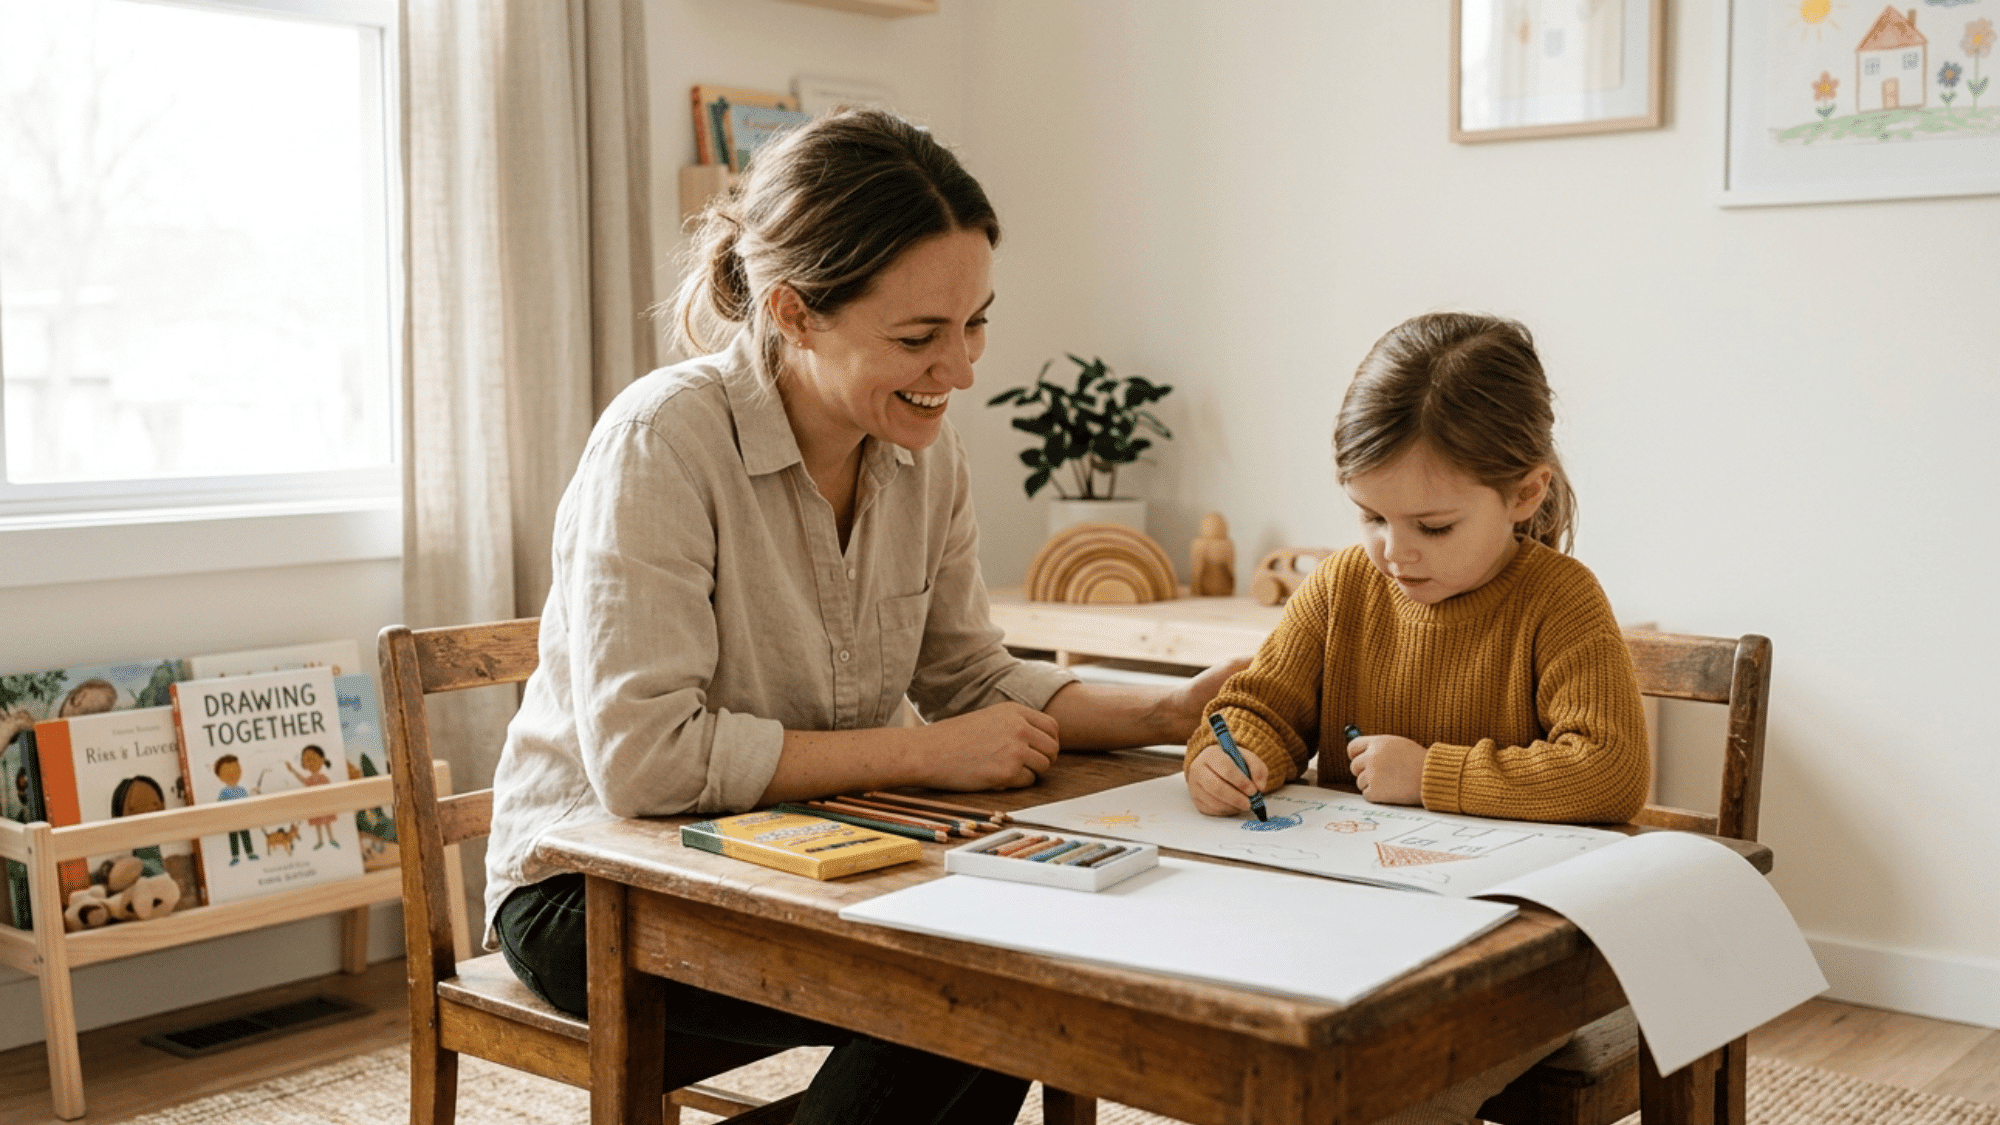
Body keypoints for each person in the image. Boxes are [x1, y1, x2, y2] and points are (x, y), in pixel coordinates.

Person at [485, 107, 1241, 1125]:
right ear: (795, 313)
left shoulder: (925, 449)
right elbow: (646, 763)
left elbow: (969, 675)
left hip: (806, 851)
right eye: (919, 337)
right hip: (594, 893)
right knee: (960, 1002)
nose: (962, 369)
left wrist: (1166, 711)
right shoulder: (662, 442)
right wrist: (922, 755)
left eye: (974, 323)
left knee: (1011, 979)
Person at [1184, 311, 1649, 1124]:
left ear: (1525, 492)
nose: (1394, 551)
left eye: (1432, 526)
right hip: (1355, 935)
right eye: (1370, 517)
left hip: (1517, 964)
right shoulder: (1342, 588)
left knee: (1380, 1090)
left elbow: (1608, 768)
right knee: (1231, 1049)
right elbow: (1258, 705)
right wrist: (1231, 753)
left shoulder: (1560, 598)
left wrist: (1430, 771)